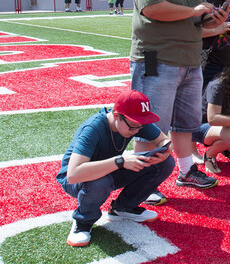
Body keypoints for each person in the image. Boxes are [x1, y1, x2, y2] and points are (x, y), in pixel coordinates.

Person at [130, 0, 227, 203]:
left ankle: (186, 171)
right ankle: (142, 180)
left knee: (185, 124)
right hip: (154, 57)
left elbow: (193, 19)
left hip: (189, 59)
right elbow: (152, 9)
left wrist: (209, 19)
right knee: (150, 123)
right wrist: (194, 10)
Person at [58, 90, 174, 246]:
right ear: (116, 116)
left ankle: (124, 208)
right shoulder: (93, 129)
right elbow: (73, 175)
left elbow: (163, 141)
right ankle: (83, 220)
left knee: (166, 163)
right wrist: (119, 161)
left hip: (109, 169)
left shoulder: (134, 123)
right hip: (77, 178)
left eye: (140, 126)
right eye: (133, 126)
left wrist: (165, 151)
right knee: (99, 181)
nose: (137, 130)